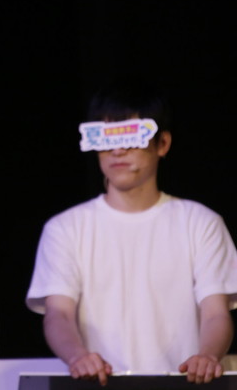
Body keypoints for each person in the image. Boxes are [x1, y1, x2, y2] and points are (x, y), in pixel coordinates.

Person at [26, 79, 237, 385]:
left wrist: (207, 356)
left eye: (131, 136)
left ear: (162, 144)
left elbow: (216, 312)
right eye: (107, 137)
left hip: (182, 384)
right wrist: (77, 357)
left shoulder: (201, 222)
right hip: (100, 384)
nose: (118, 150)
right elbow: (58, 313)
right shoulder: (65, 228)